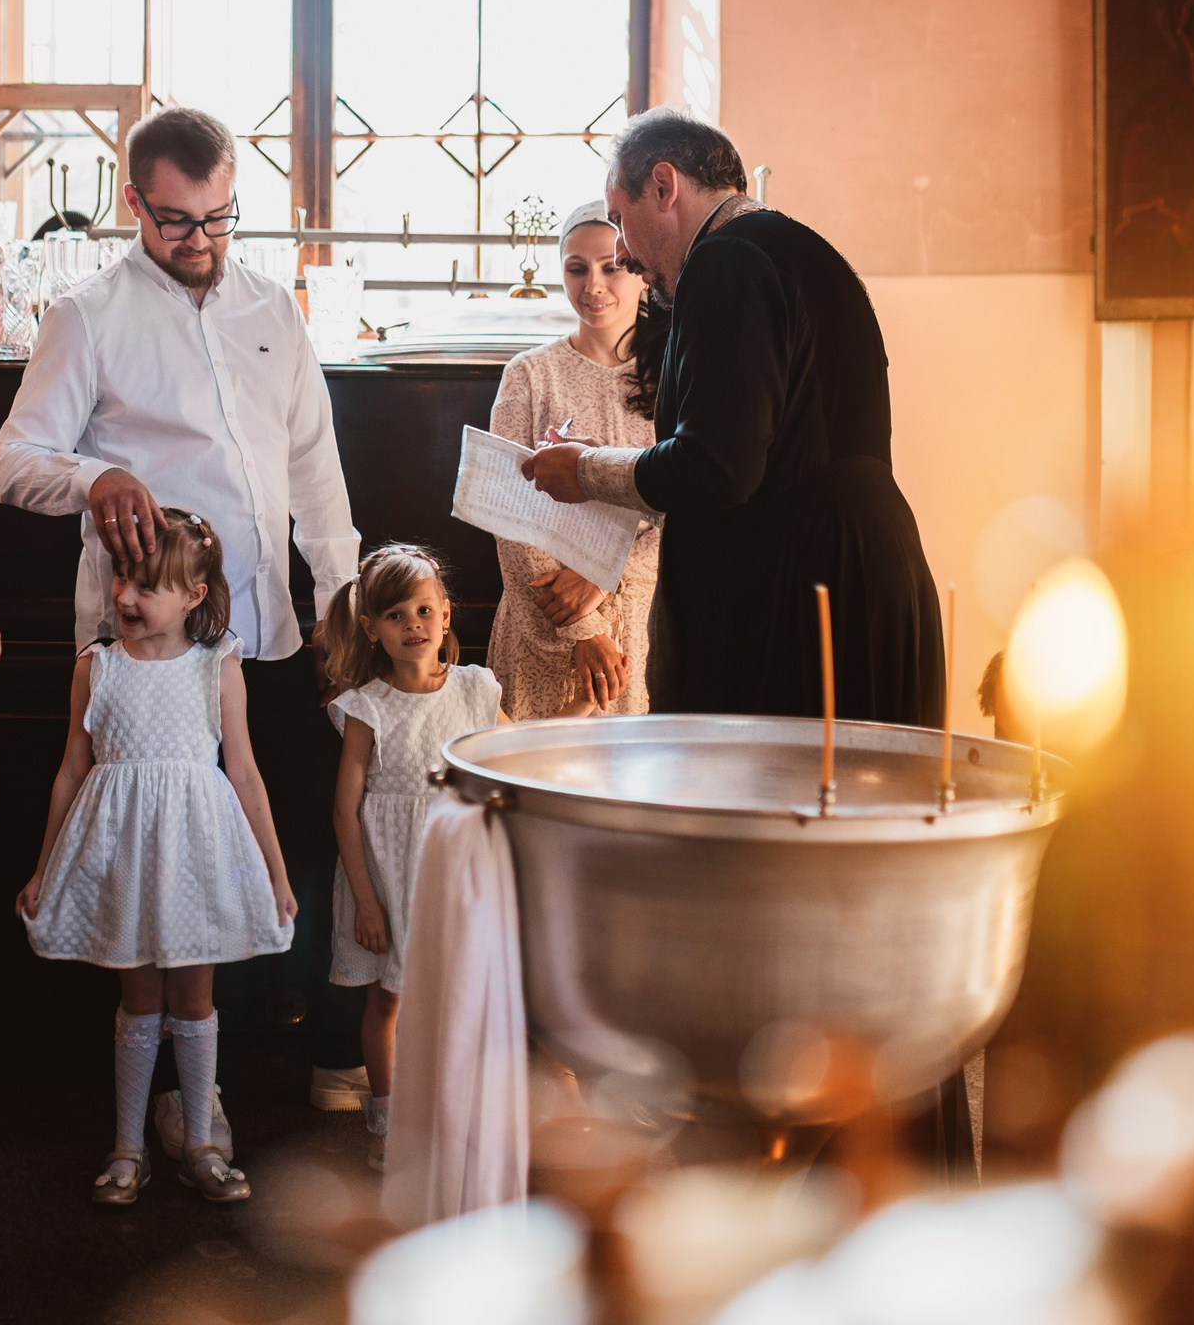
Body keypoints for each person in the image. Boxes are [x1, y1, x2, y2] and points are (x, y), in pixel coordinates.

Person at [0, 105, 369, 1112]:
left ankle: (259, 1075)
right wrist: (94, 477)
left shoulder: (271, 310)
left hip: (267, 631)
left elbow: (314, 471)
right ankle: (152, 1090)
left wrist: (338, 606)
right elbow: (10, 462)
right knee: (155, 870)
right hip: (147, 653)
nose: (199, 242)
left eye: (218, 218)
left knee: (270, 846)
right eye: (174, 222)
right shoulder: (86, 314)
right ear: (132, 204)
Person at [522, 108, 945, 726]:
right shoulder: (800, 248)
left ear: (664, 186)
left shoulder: (725, 262)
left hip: (799, 592)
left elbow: (717, 466)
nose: (622, 251)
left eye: (618, 219)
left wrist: (586, 471)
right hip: (859, 571)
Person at [18, 509, 298, 1204]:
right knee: (137, 1001)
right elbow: (70, 769)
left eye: (147, 585)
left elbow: (247, 773)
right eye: (122, 577)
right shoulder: (97, 665)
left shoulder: (216, 666)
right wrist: (43, 865)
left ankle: (200, 1140)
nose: (126, 597)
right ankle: (127, 1146)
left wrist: (276, 869)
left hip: (195, 853)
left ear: (194, 595)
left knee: (194, 1001)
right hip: (123, 855)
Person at [317, 544, 502, 1171]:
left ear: (446, 615)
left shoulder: (475, 690)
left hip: (455, 869)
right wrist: (365, 899)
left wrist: (582, 716)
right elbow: (346, 811)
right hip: (390, 874)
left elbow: (515, 754)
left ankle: (453, 1113)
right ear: (371, 628)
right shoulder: (368, 706)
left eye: (425, 609)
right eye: (396, 615)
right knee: (390, 1001)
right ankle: (389, 1120)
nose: (414, 624)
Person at [486, 199, 664, 718]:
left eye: (611, 267)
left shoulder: (673, 375)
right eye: (576, 268)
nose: (594, 286)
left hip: (637, 624)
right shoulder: (529, 375)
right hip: (541, 618)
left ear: (639, 271)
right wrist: (582, 630)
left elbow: (685, 501)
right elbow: (509, 512)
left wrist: (603, 573)